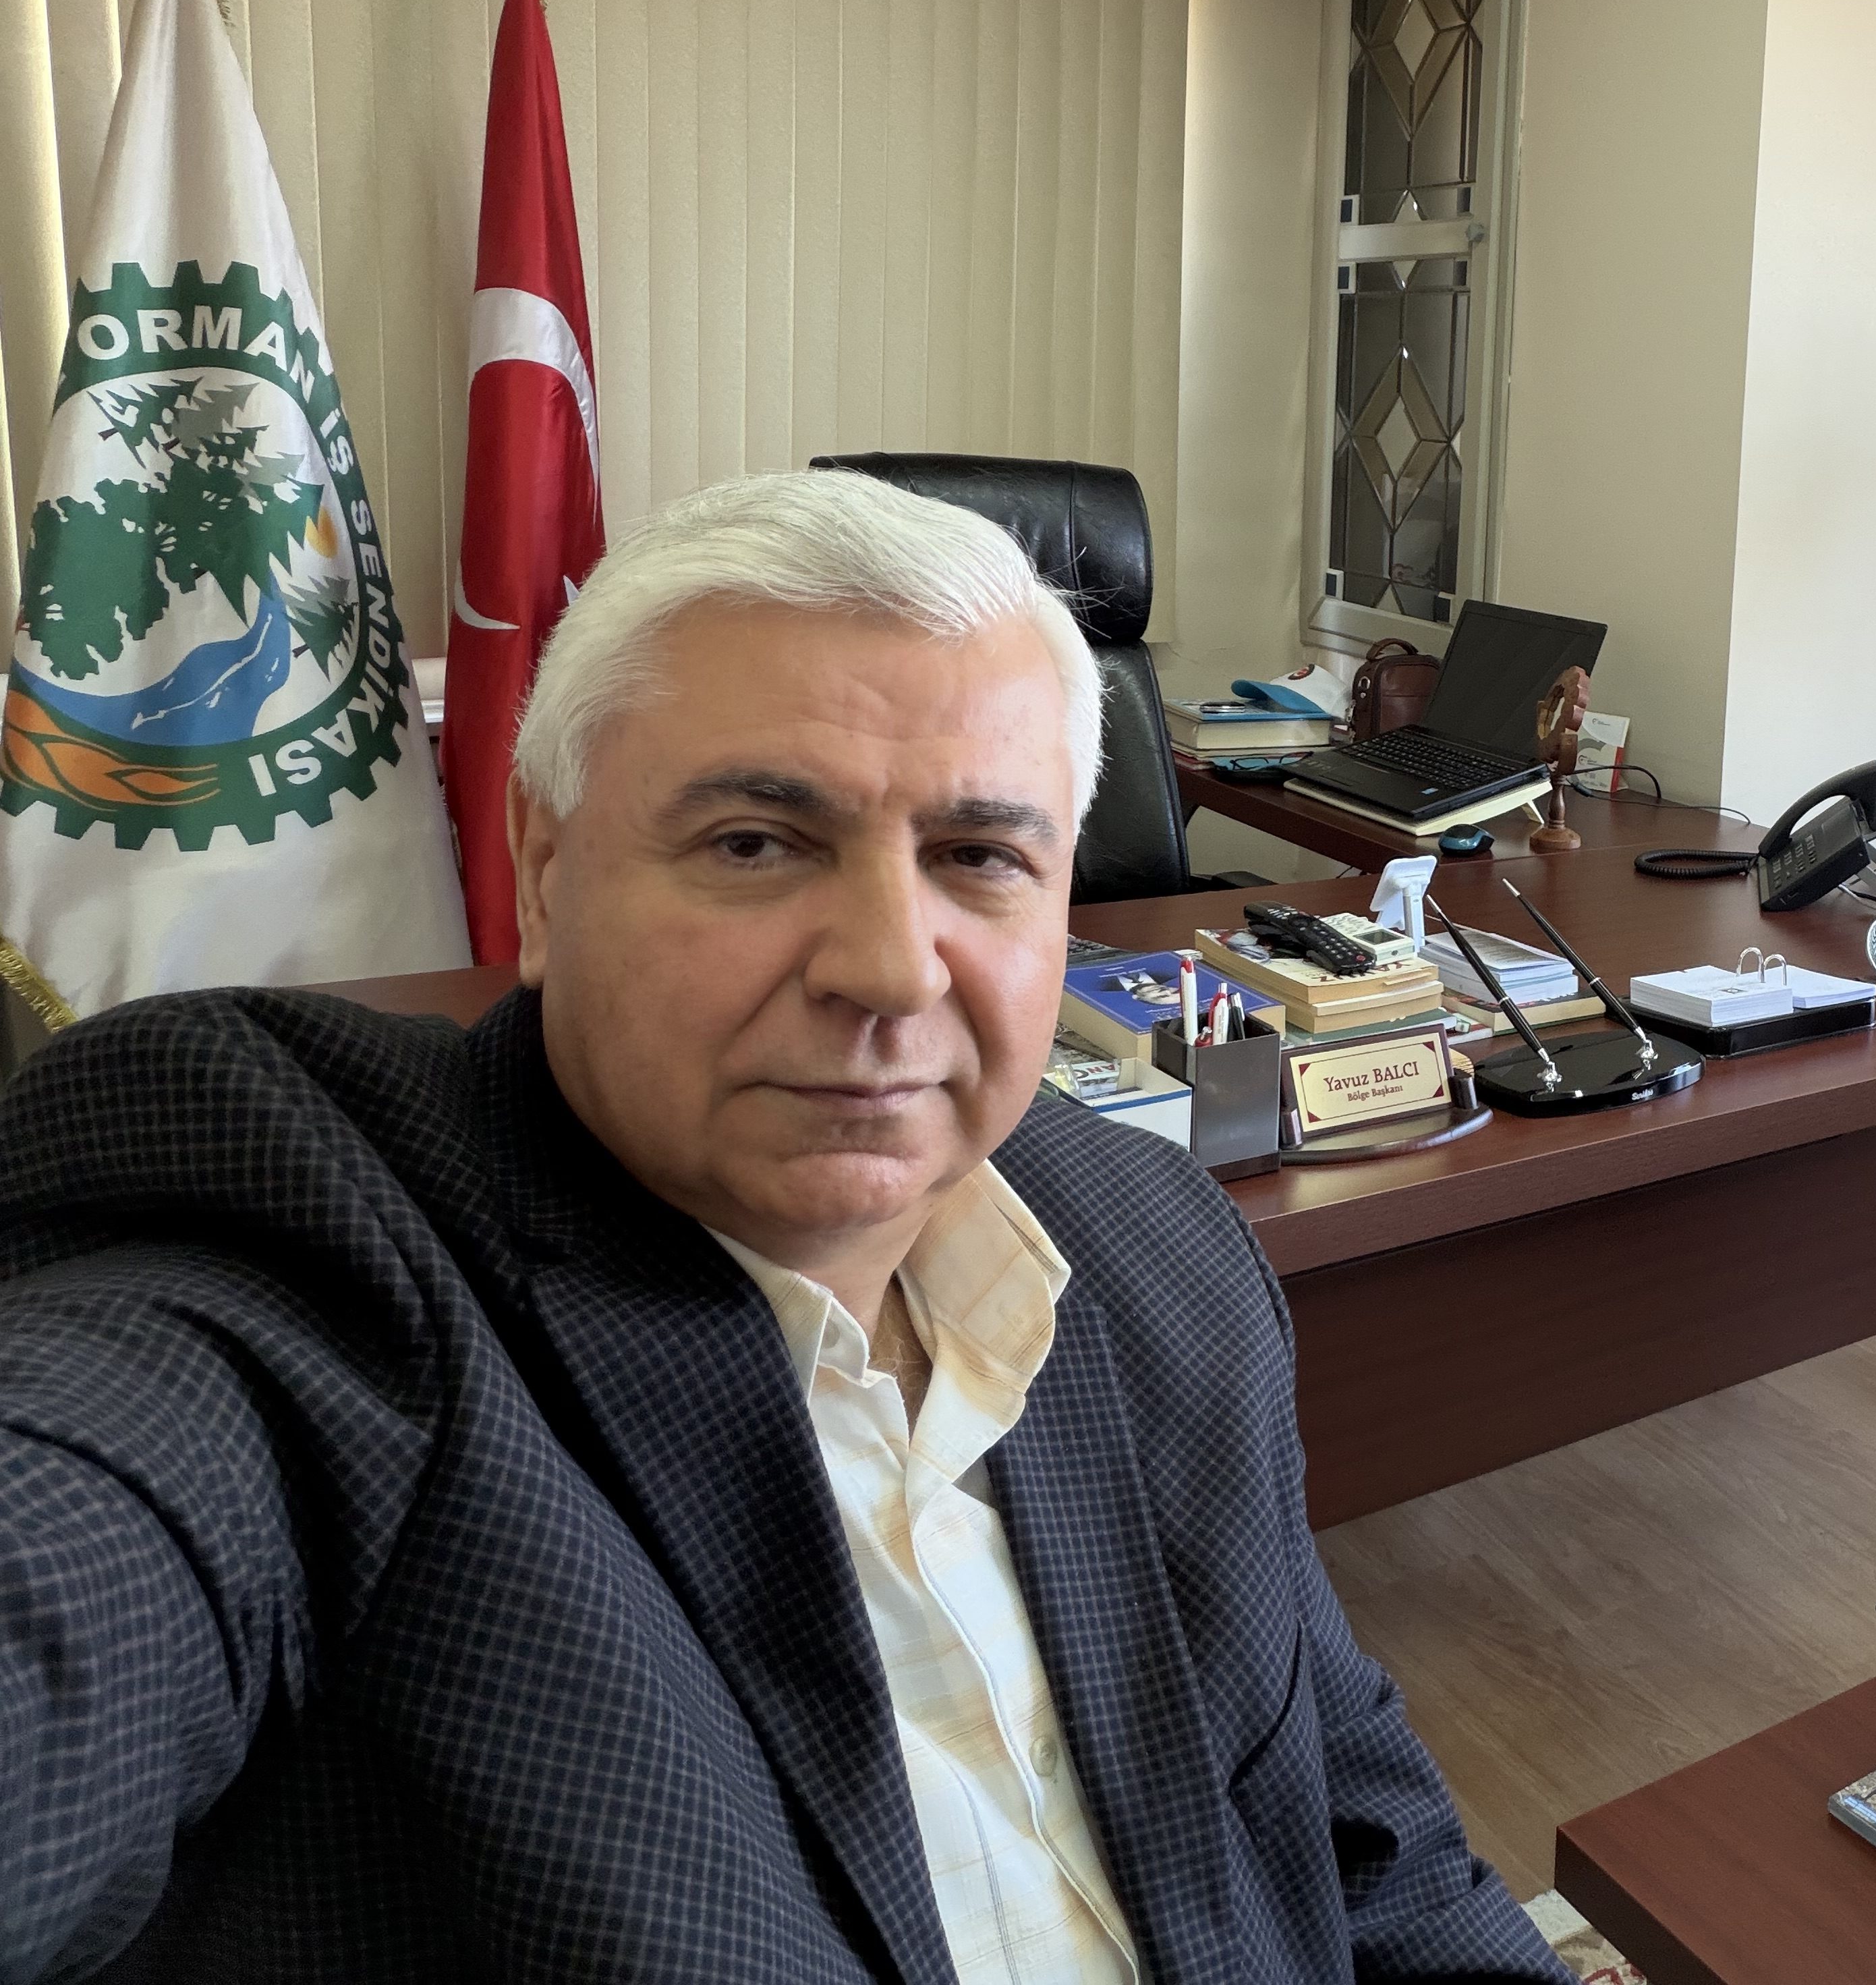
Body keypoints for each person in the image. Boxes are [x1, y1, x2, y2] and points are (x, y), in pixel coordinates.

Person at [0, 470, 1566, 1984]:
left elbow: (1359, 1836)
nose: (890, 969)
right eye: (756, 843)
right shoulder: (315, 1245)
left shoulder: (1158, 1248)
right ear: (542, 875)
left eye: (979, 857)